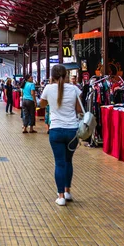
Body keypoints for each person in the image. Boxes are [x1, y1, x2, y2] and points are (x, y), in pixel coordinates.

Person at [39, 64, 83, 207]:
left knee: (59, 163)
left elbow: (42, 104)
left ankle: (61, 196)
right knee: (68, 161)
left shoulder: (48, 88)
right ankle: (68, 191)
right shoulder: (75, 89)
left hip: (56, 130)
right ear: (66, 75)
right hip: (72, 131)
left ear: (52, 76)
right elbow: (78, 109)